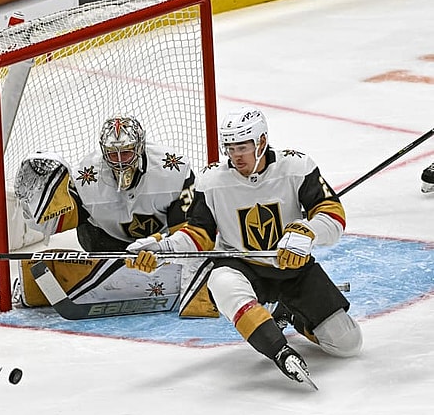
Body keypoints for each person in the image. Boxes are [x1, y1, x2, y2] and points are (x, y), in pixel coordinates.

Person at [125, 106, 362, 387]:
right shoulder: (212, 181)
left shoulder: (297, 167)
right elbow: (199, 235)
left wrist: (306, 231)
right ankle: (278, 350)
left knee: (348, 344)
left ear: (261, 141)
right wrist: (161, 250)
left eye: (242, 147)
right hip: (241, 266)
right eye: (230, 148)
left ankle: (289, 314)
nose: (235, 156)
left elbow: (333, 214)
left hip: (292, 268)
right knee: (221, 281)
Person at [12, 115, 195, 306]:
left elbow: (189, 230)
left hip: (157, 243)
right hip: (103, 242)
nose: (119, 162)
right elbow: (55, 222)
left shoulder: (174, 169)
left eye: (125, 153)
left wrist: (165, 247)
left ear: (139, 147)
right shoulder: (86, 174)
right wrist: (31, 204)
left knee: (192, 259)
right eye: (112, 154)